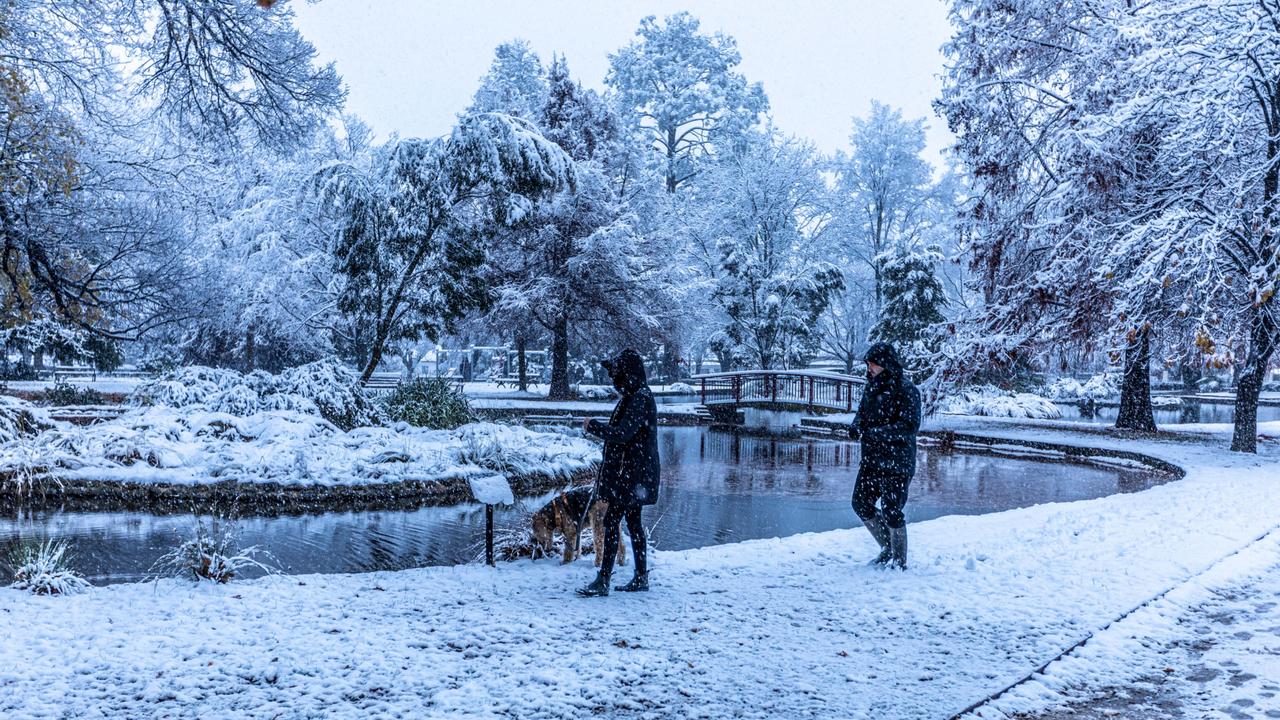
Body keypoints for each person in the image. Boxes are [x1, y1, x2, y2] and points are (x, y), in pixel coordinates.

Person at [577, 349, 660, 597]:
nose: (615, 383)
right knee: (633, 523)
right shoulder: (636, 395)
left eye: (618, 376)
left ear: (628, 374)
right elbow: (625, 434)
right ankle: (640, 576)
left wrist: (593, 426)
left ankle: (604, 579)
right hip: (635, 475)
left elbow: (623, 434)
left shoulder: (639, 399)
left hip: (632, 475)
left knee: (611, 521)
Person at [849, 342, 921, 570]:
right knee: (860, 503)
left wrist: (876, 433)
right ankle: (887, 547)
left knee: (892, 510)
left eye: (872, 364)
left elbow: (909, 426)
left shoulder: (907, 390)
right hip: (872, 460)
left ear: (885, 365)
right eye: (868, 364)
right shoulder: (871, 387)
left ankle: (899, 559)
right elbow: (862, 413)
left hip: (897, 462)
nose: (869, 368)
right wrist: (856, 426)